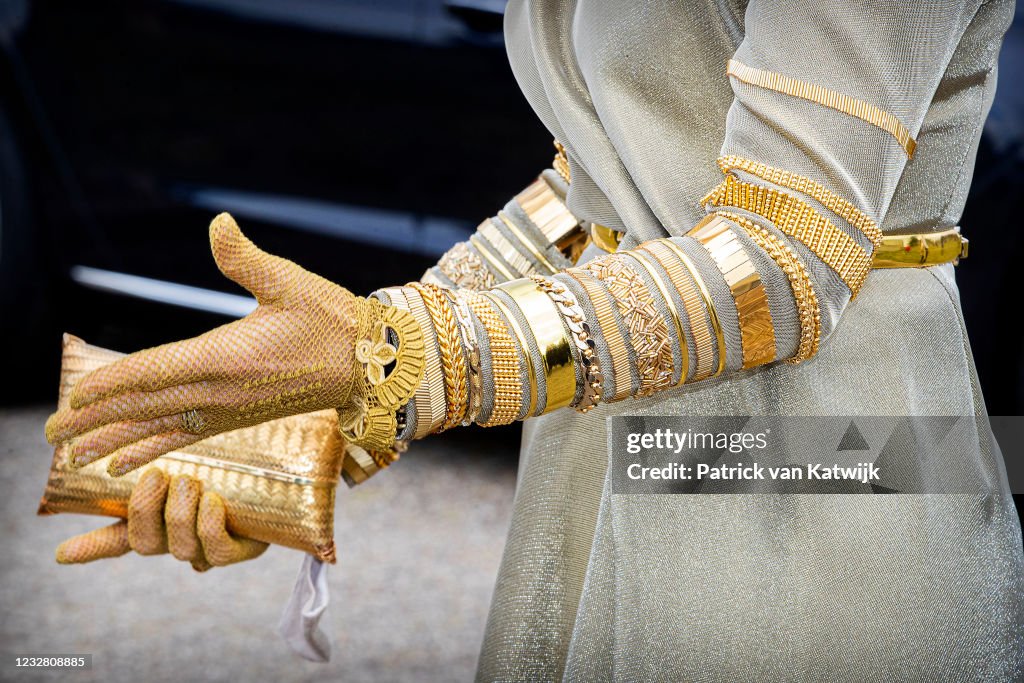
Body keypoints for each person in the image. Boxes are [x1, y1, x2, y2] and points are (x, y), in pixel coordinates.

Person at [45, 0, 1023, 679]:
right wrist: (333, 412)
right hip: (611, 439)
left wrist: (404, 356)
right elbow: (594, 191)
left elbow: (785, 255)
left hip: (838, 445)